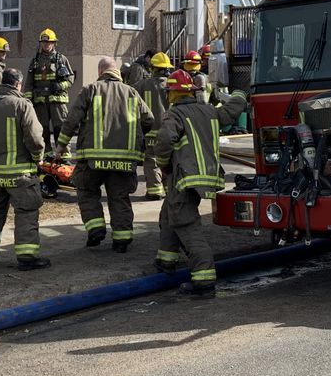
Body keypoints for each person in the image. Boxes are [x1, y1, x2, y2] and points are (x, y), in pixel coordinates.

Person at [154, 69, 248, 298]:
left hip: (185, 178)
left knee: (186, 224)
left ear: (173, 94)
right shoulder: (209, 111)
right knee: (169, 214)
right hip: (206, 177)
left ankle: (203, 280)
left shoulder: (174, 114)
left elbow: (165, 141)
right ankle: (166, 261)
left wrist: (163, 164)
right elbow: (232, 110)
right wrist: (240, 93)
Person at [55, 57, 153, 252]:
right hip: (124, 159)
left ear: (100, 72)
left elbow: (72, 120)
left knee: (87, 191)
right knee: (119, 197)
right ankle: (122, 240)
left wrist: (61, 146)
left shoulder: (91, 89)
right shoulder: (131, 92)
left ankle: (96, 228)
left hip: (92, 159)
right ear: (116, 72)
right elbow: (148, 119)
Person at [0, 68, 50, 270]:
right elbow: (35, 139)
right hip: (20, 174)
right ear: (18, 85)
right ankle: (27, 257)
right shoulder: (22, 105)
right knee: (26, 212)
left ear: (2, 83)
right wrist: (38, 159)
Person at [24, 28, 75, 159]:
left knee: (61, 129)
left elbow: (70, 78)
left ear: (54, 43)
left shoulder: (61, 59)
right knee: (42, 131)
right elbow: (29, 83)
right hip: (40, 102)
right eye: (44, 42)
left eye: (49, 42)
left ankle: (63, 157)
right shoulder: (35, 61)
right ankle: (45, 156)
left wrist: (59, 85)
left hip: (57, 101)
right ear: (40, 43)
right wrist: (28, 101)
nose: (46, 45)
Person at [132, 51, 174, 200]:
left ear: (152, 68)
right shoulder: (173, 84)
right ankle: (170, 189)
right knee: (169, 159)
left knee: (151, 160)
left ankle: (155, 191)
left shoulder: (141, 85)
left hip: (150, 132)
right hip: (170, 132)